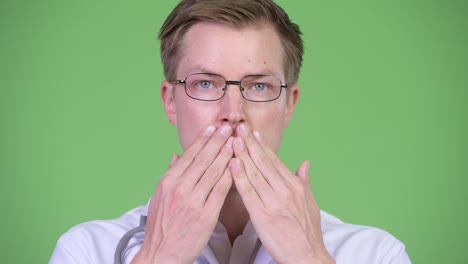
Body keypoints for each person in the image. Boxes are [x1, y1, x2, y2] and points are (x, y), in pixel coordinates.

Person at [50, 0, 411, 263]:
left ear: (289, 105)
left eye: (258, 87)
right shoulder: (86, 250)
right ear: (170, 101)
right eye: (206, 84)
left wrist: (309, 258)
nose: (233, 114)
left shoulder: (375, 253)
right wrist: (161, 257)